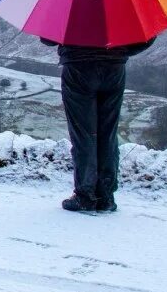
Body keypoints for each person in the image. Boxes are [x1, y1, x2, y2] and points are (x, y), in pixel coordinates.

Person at [40, 36, 153, 213]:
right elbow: (146, 39)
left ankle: (85, 196)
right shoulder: (120, 7)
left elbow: (47, 37)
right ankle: (106, 197)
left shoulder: (71, 7)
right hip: (114, 69)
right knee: (108, 133)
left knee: (83, 133)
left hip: (78, 67)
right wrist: (119, 51)